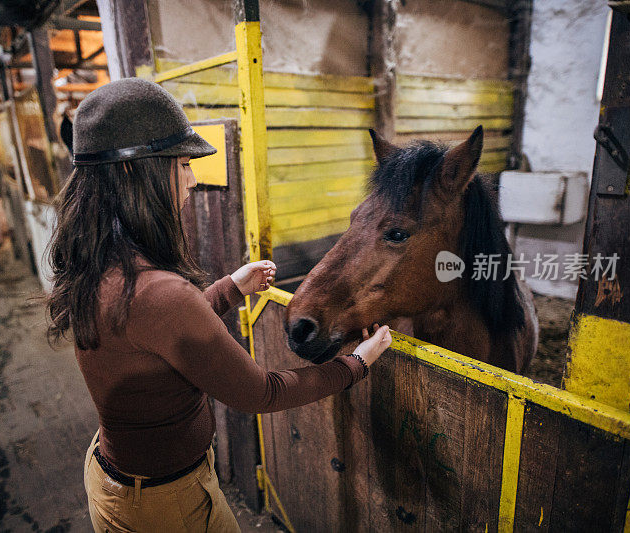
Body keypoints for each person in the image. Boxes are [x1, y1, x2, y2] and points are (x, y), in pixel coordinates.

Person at [46, 78, 393, 533]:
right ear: (133, 172)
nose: (191, 179)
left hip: (119, 477)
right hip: (167, 502)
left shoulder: (100, 260)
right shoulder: (157, 291)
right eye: (184, 164)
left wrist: (230, 287)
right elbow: (261, 392)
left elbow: (160, 336)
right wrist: (356, 363)